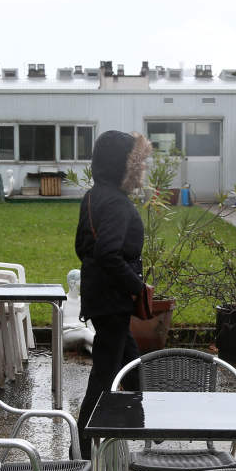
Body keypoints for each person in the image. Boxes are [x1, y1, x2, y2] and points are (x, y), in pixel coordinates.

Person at [75, 130, 152, 434]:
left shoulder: (93, 196)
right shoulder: (118, 204)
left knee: (132, 367)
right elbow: (108, 253)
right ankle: (80, 448)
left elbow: (83, 248)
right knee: (103, 377)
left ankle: (149, 428)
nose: (142, 170)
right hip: (112, 303)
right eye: (139, 164)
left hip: (101, 301)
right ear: (124, 166)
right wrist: (138, 287)